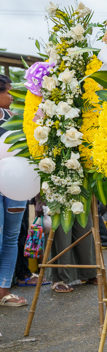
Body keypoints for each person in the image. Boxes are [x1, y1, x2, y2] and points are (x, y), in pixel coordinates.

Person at [0, 75, 28, 306]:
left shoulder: (14, 119)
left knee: (11, 238)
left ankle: (4, 290)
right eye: (8, 91)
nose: (12, 96)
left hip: (16, 187)